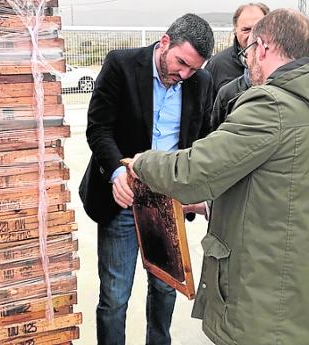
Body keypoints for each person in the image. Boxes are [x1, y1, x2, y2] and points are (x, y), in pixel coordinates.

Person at [127, 9, 309, 345]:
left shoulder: (272, 105)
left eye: (248, 51)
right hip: (299, 279)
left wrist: (142, 163)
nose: (247, 59)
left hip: (264, 292)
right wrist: (211, 203)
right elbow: (281, 184)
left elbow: (193, 171)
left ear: (262, 48)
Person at [77, 13, 214, 345]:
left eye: (193, 69)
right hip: (123, 198)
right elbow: (98, 128)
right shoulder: (121, 65)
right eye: (181, 63)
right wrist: (116, 172)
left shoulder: (201, 83)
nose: (184, 75)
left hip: (168, 201)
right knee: (114, 294)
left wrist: (197, 193)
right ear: (164, 42)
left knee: (166, 288)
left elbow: (204, 141)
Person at [204, 3, 269, 99]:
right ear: (235, 31)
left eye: (259, 29)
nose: (252, 35)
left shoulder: (281, 62)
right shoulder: (217, 64)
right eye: (246, 30)